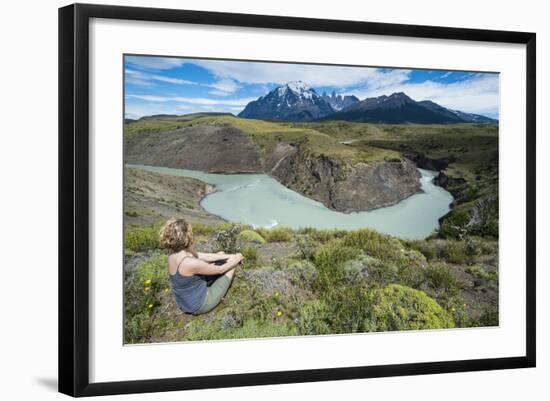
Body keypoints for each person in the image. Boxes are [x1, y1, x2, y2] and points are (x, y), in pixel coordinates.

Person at [159, 218, 243, 315]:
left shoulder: (173, 255)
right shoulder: (189, 263)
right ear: (187, 235)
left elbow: (205, 256)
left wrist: (230, 255)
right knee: (232, 266)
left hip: (185, 302)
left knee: (221, 254)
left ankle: (228, 259)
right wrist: (237, 258)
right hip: (199, 304)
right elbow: (221, 270)